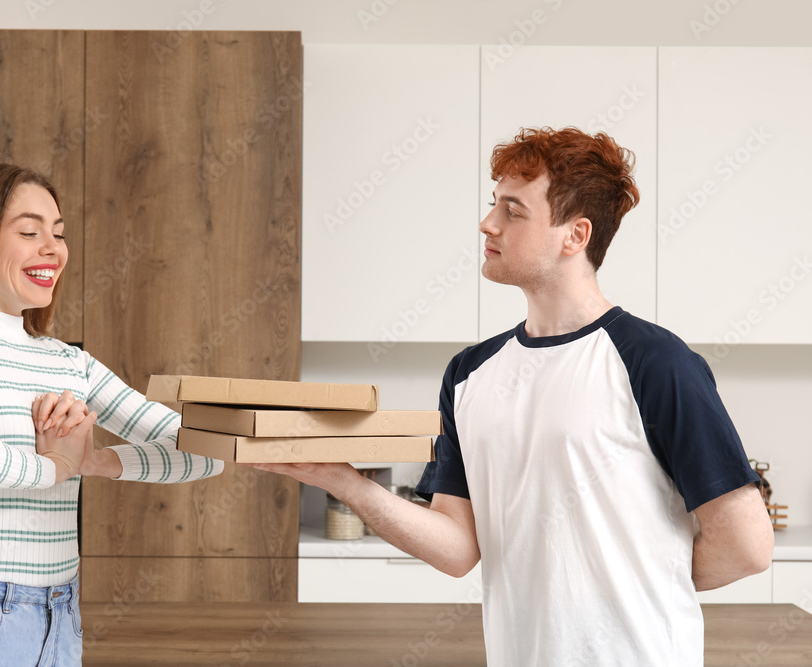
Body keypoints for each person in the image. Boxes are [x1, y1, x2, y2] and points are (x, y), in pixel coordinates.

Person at [246, 127, 774, 666]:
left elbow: (747, 546)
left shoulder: (656, 362)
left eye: (513, 211)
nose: (487, 223)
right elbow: (457, 550)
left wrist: (637, 581)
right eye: (492, 204)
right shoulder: (470, 373)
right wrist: (343, 481)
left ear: (575, 235)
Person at [0, 162, 224, 665]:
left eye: (59, 233)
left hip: (61, 616)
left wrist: (93, 461)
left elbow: (208, 452)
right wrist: (55, 469)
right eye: (29, 231)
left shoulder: (68, 361)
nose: (53, 248)